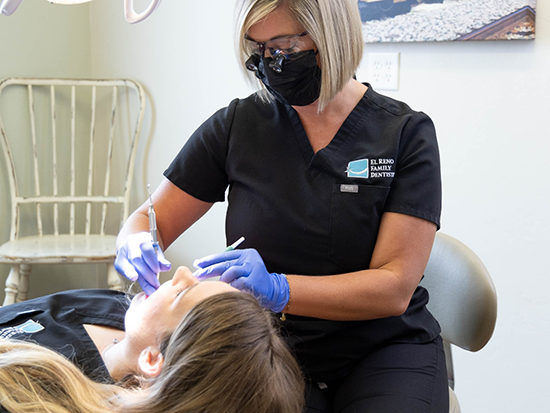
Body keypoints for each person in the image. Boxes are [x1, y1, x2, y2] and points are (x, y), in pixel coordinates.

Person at [115, 0, 448, 411]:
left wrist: (279, 288)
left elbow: (394, 287)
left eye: (285, 47)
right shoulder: (237, 126)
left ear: (332, 36)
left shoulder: (403, 134)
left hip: (382, 349)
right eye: (258, 51)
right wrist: (133, 242)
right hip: (265, 349)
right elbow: (150, 219)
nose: (271, 63)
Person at [0, 267, 305, 413]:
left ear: (152, 359)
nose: (183, 272)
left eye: (182, 293)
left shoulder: (32, 392)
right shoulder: (120, 310)